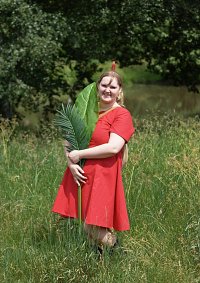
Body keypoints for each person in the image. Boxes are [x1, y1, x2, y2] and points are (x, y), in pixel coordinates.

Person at [52, 70, 135, 255]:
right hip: (81, 172)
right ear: (97, 87)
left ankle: (119, 254)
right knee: (88, 224)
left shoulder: (121, 115)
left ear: (119, 91)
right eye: (104, 85)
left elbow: (113, 147)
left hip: (103, 174)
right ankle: (99, 262)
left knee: (91, 226)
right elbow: (69, 138)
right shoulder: (89, 110)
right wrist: (71, 164)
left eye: (112, 87)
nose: (107, 90)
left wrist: (79, 154)